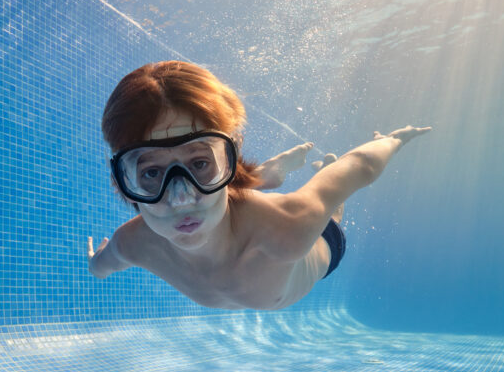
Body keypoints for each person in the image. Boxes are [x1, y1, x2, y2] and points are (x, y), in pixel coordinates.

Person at [87, 61, 430, 310]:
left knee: (330, 214)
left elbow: (361, 166)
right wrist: (95, 263)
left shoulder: (289, 227)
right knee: (223, 194)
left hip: (319, 242)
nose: (181, 198)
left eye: (200, 163)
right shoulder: (131, 243)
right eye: (150, 173)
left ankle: (264, 178)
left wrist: (393, 141)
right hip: (239, 202)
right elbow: (103, 263)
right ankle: (262, 176)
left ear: (230, 161)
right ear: (121, 179)